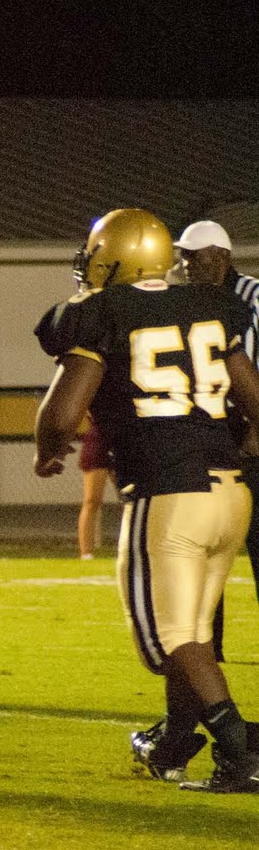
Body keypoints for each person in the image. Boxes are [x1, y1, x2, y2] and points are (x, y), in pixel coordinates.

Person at [35, 207, 259, 794]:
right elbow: (255, 401)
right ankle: (176, 743)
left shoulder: (101, 313)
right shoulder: (213, 304)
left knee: (168, 638)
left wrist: (48, 451)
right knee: (194, 635)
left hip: (167, 492)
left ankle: (239, 749)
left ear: (113, 257)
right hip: (230, 492)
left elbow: (61, 413)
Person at [173, 219, 259, 600]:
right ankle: (209, 645)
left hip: (246, 424)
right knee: (202, 542)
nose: (186, 264)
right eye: (183, 257)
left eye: (194, 256)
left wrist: (258, 429)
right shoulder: (182, 300)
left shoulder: (253, 295)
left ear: (221, 256)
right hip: (204, 428)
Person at [76, 415, 114, 561]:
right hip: (98, 441)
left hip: (124, 440)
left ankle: (133, 547)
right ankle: (86, 554)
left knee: (131, 500)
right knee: (92, 500)